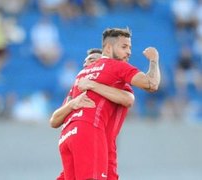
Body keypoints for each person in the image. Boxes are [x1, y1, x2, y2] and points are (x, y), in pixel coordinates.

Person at [55, 27, 160, 179]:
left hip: (68, 136)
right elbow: (151, 84)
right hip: (91, 132)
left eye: (130, 47)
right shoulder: (116, 67)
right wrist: (154, 60)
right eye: (124, 47)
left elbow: (54, 121)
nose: (129, 52)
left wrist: (92, 87)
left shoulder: (81, 77)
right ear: (109, 48)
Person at [50, 48, 135, 179]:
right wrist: (72, 104)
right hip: (82, 142)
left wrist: (93, 85)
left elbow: (128, 99)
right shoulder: (77, 90)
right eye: (85, 62)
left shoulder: (113, 82)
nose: (86, 64)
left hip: (101, 146)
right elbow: (54, 121)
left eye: (92, 60)